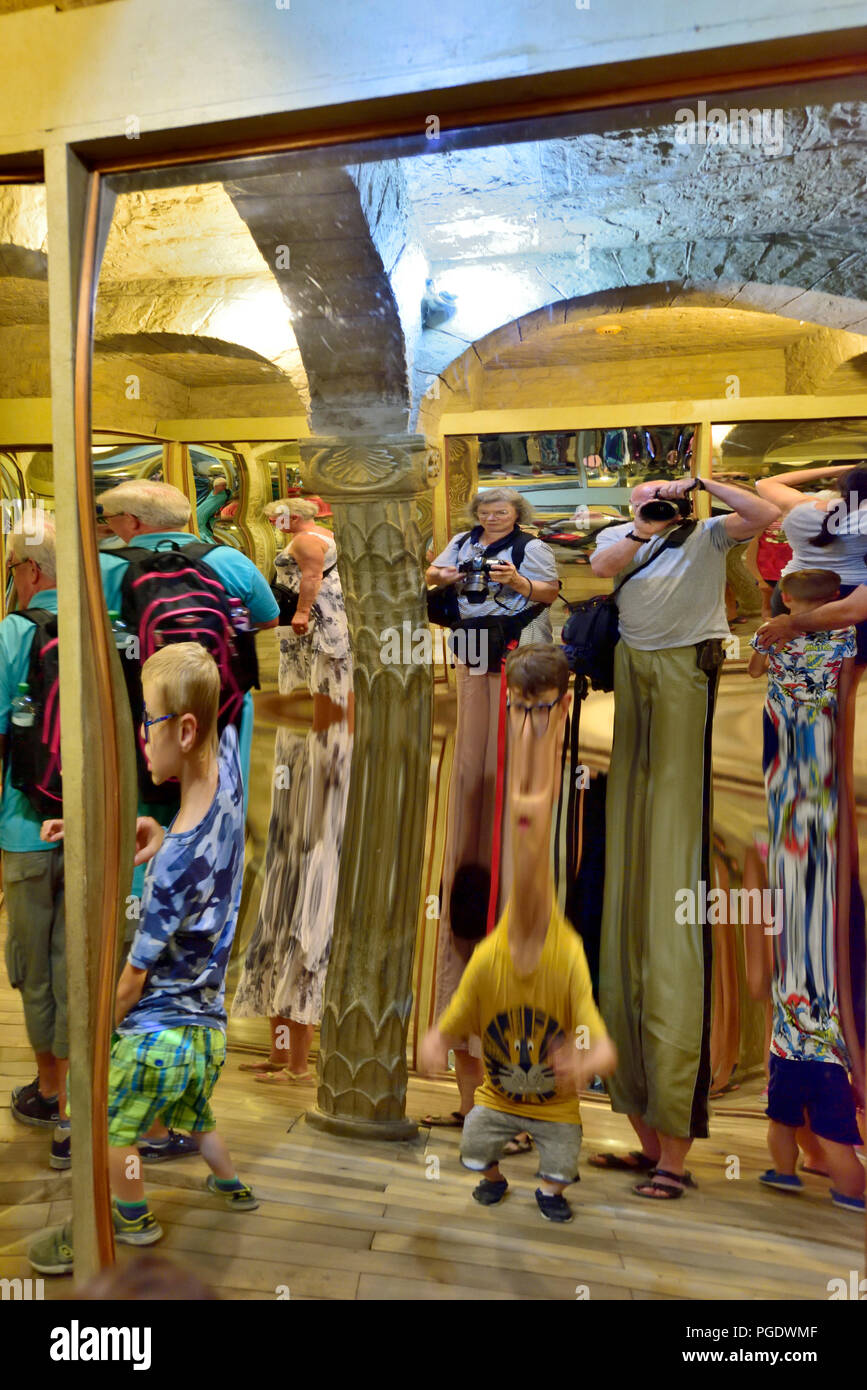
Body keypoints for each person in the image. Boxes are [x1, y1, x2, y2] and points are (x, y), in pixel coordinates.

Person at [28, 643, 258, 1275]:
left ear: (185, 729)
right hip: (208, 1033)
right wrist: (147, 833)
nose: (140, 737)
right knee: (195, 1112)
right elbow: (198, 840)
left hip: (156, 1034)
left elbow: (134, 978)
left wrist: (95, 1029)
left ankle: (125, 1218)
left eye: (147, 722)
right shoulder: (231, 769)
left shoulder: (172, 869)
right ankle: (231, 1184)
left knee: (108, 1126)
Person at [588, 474, 779, 1196]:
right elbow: (605, 568)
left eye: (662, 499)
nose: (655, 506)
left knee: (671, 884)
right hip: (633, 678)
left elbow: (761, 513)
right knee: (624, 912)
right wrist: (640, 524)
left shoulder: (706, 533)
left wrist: (702, 483)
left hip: (684, 680)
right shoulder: (623, 538)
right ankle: (644, 1138)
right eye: (644, 498)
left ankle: (673, 1157)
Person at [96, 479, 279, 1160]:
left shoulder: (113, 572)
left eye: (112, 518)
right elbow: (263, 621)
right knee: (203, 912)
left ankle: (134, 1110)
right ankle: (184, 1105)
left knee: (144, 922)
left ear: (131, 521)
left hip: (150, 756)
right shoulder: (227, 560)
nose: (111, 528)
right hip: (222, 749)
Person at [418, 646, 616, 1223]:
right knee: (523, 814)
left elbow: (599, 1043)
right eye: (519, 707)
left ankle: (547, 1175)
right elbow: (453, 1020)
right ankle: (493, 1151)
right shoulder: (494, 959)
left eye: (539, 710)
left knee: (529, 814)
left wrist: (587, 1059)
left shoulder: (565, 956)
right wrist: (435, 1041)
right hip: (501, 1090)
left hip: (554, 1102)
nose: (526, 721)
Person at [422, 489, 560, 1130]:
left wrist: (516, 580)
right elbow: (432, 581)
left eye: (502, 511)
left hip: (515, 660)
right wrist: (449, 575)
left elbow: (547, 595)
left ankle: (516, 1108)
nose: (492, 519)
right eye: (485, 511)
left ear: (518, 516)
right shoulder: (461, 543)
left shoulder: (529, 550)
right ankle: (476, 1105)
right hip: (475, 660)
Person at [747, 570, 864, 1213]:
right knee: (810, 850)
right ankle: (847, 1188)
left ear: (788, 597)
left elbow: (751, 669)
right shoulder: (843, 639)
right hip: (814, 775)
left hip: (787, 778)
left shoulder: (777, 636)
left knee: (796, 844)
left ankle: (788, 1170)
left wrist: (775, 639)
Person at [232, 497, 353, 1081]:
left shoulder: (308, 543)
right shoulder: (322, 537)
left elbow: (307, 585)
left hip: (318, 661)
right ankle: (285, 1053)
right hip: (313, 679)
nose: (275, 523)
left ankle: (295, 1057)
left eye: (278, 516)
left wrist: (301, 616)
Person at [0, 519, 70, 1170]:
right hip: (98, 826)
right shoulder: (105, 627)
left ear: (30, 572)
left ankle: (51, 1089)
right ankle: (78, 1100)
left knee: (31, 960)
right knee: (74, 958)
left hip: (26, 824)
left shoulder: (14, 634)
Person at [742, 521, 793, 621]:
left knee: (791, 605)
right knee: (768, 604)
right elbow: (751, 556)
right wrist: (760, 579)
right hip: (768, 574)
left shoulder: (794, 520)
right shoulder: (764, 523)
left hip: (789, 572)